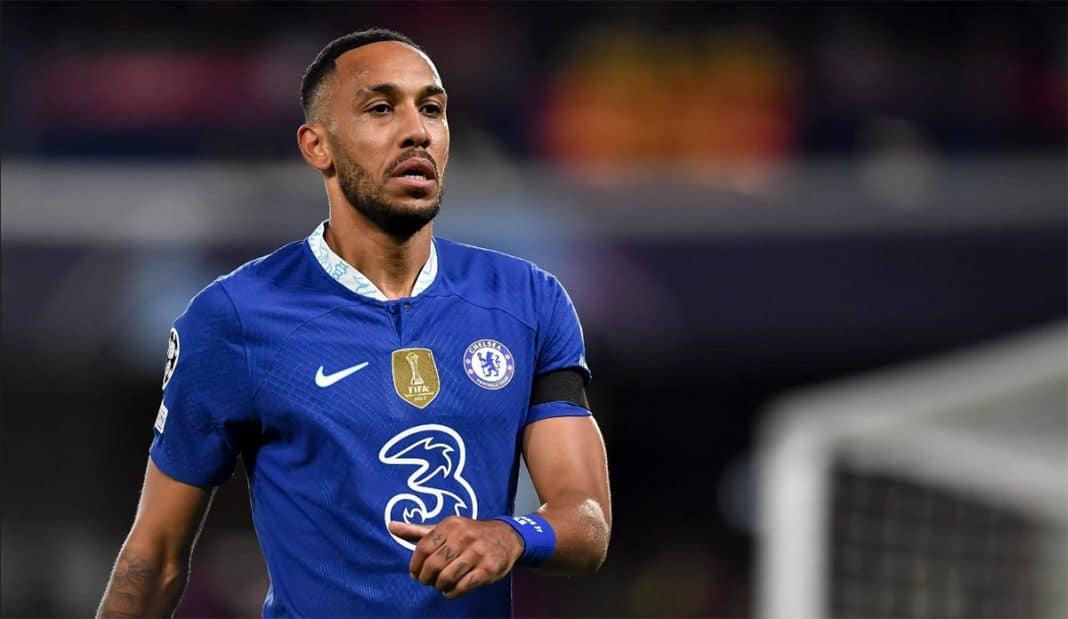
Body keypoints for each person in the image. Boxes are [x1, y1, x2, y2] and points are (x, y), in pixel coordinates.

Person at [96, 28, 612, 617]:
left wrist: (513, 533)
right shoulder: (235, 317)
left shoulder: (528, 300)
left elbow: (587, 522)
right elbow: (154, 557)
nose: (417, 131)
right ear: (317, 146)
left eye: (432, 109)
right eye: (381, 108)